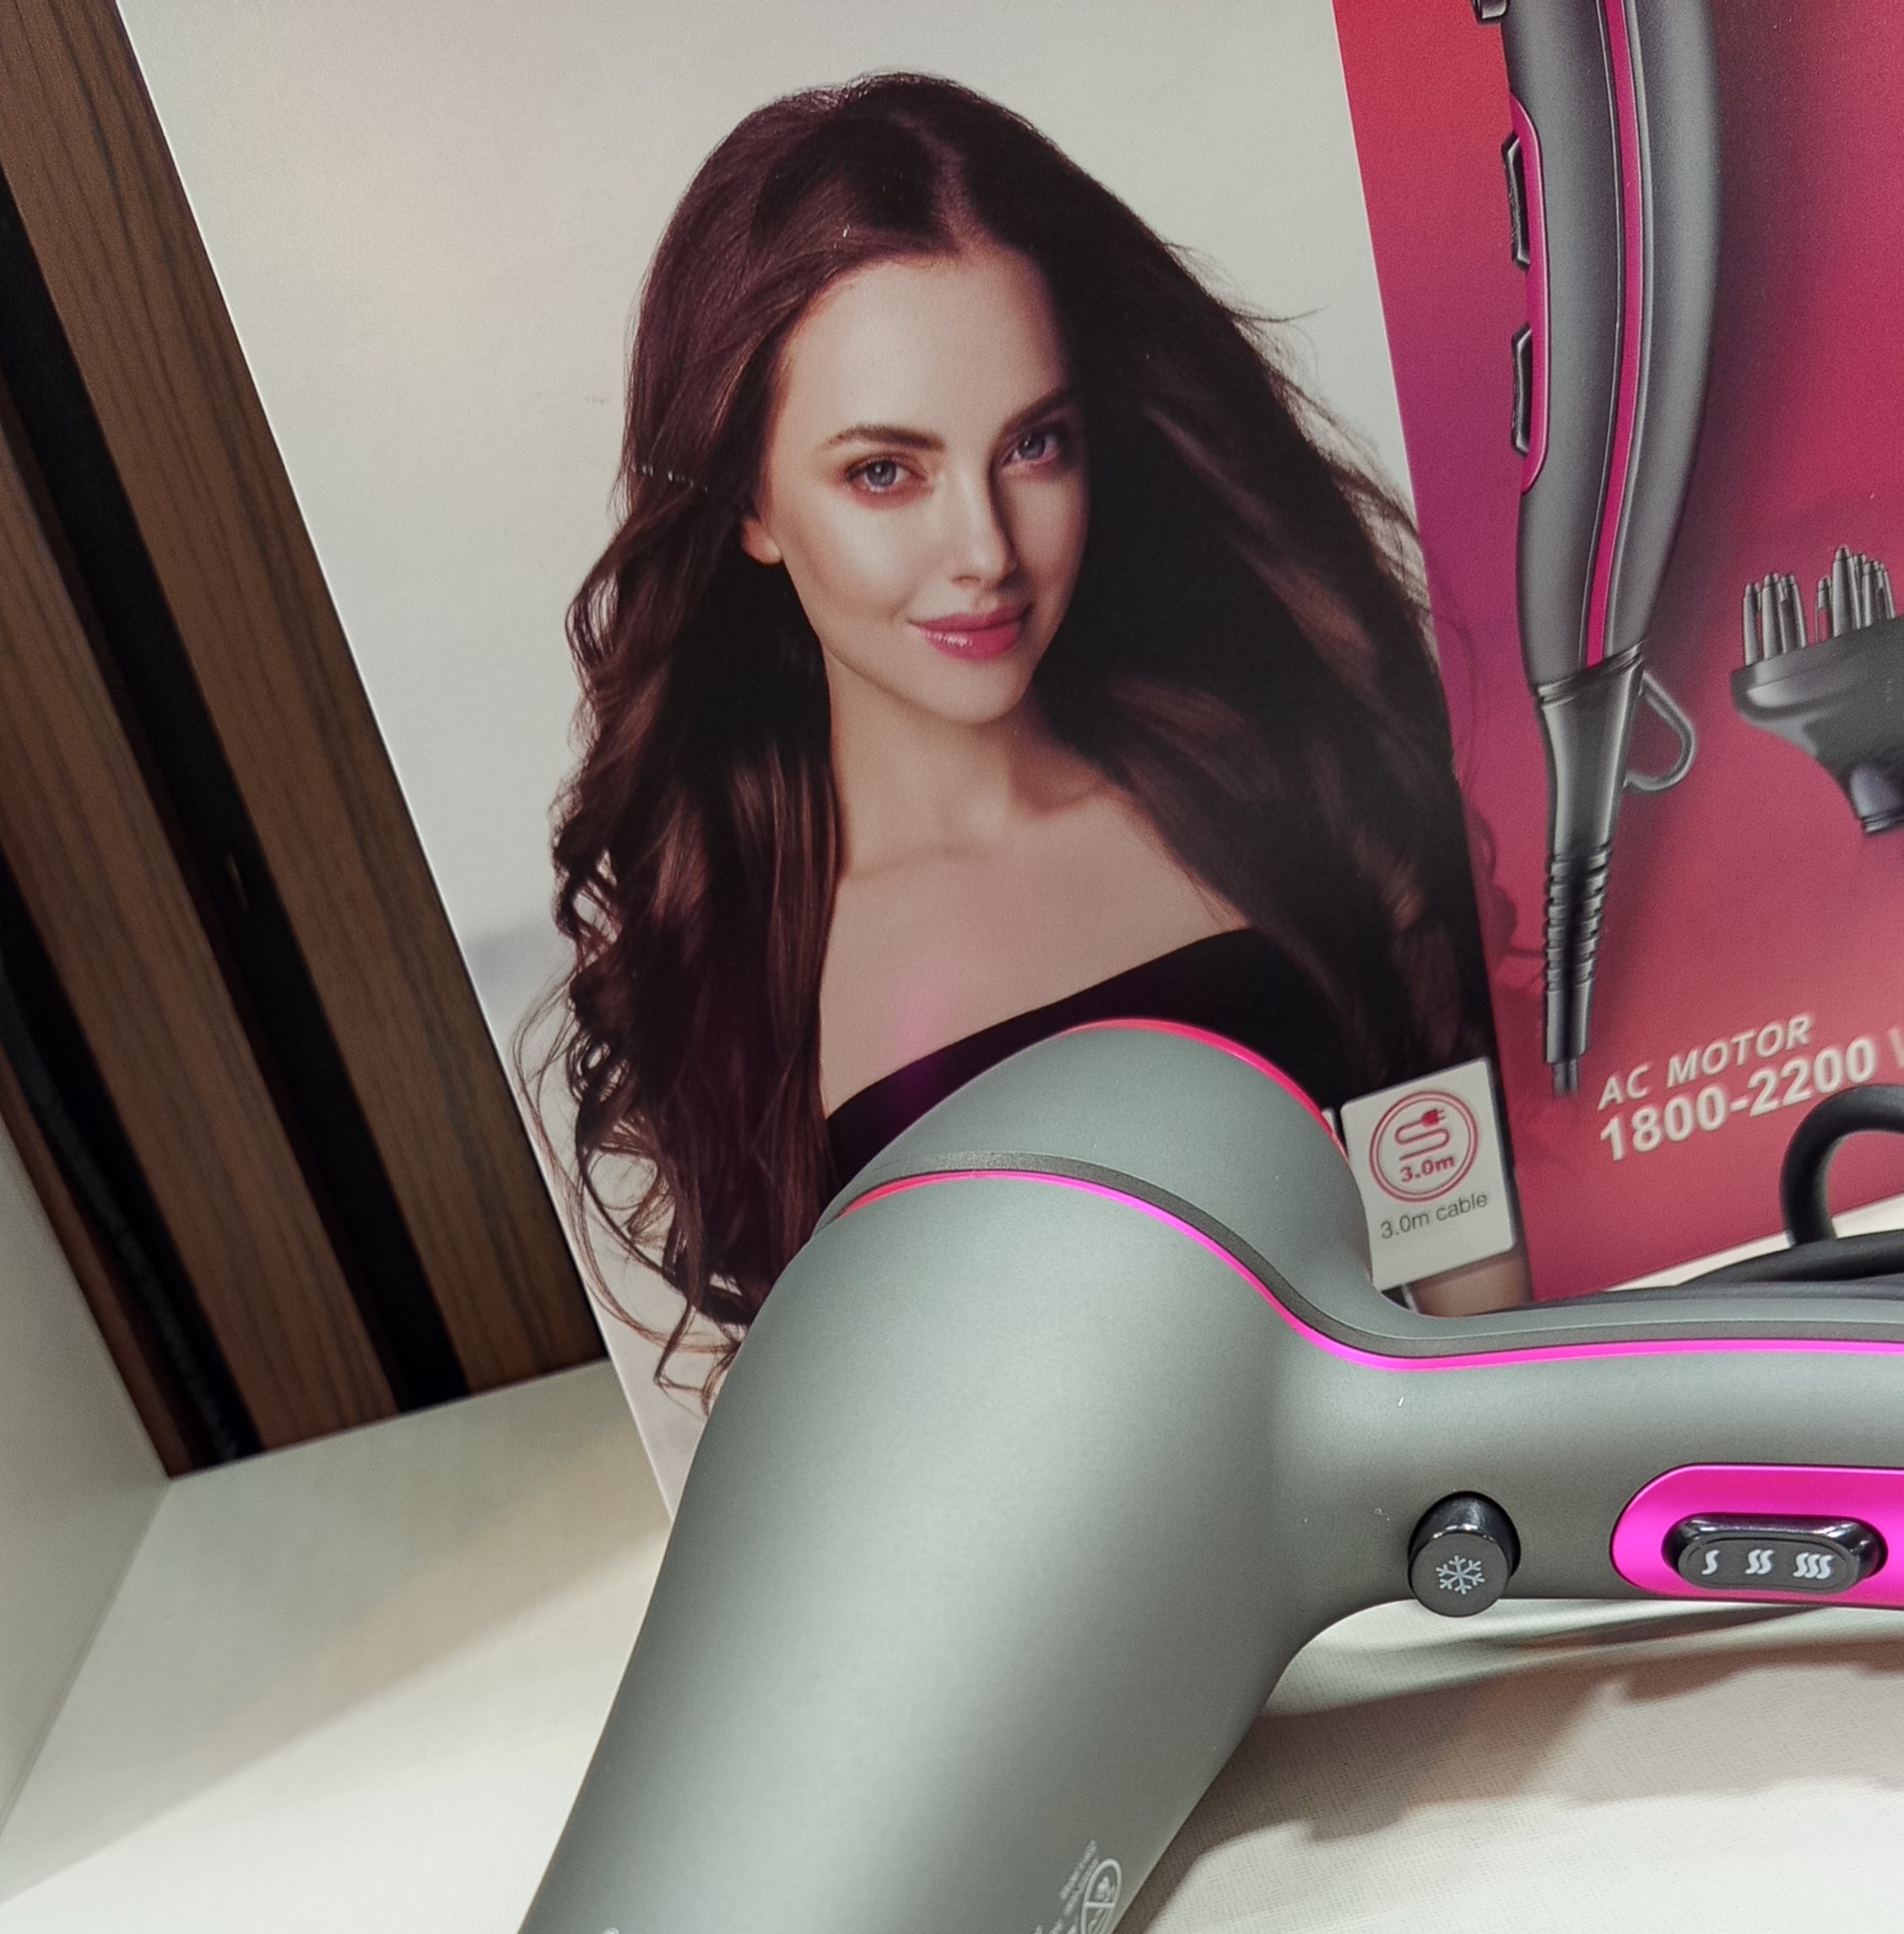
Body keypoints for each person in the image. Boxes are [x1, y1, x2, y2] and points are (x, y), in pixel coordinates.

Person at [540, 73, 1497, 1383]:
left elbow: (1476, 1301)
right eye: (886, 472)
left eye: (1034, 446)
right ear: (747, 504)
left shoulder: (1297, 788)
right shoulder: (721, 979)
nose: (984, 550)